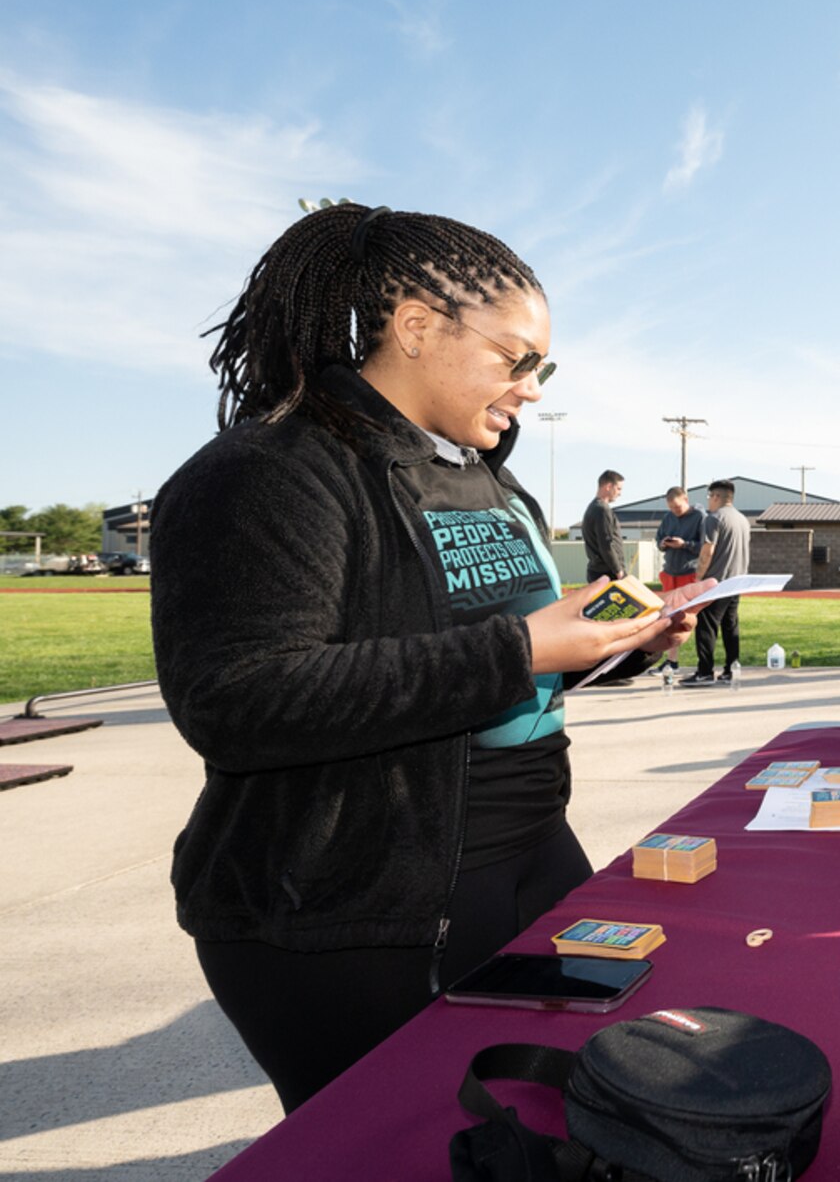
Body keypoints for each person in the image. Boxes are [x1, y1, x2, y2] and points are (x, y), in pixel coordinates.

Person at [149, 204, 705, 1112]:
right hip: (353, 913)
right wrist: (521, 646)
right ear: (414, 327)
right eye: (516, 358)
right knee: (396, 1144)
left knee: (556, 1125)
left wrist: (619, 646)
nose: (531, 386)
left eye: (542, 366)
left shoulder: (486, 472)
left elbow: (507, 657)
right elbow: (235, 698)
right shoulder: (267, 472)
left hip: (528, 854)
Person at [689, 479, 751, 685]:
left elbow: (708, 550)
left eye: (709, 497)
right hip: (737, 579)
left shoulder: (713, 518)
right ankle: (731, 668)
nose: (708, 501)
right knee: (730, 626)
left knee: (706, 626)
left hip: (717, 581)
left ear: (716, 496)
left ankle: (705, 671)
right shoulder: (742, 520)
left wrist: (698, 578)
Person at [649, 486, 705, 677]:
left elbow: (705, 547)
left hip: (688, 573)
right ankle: (668, 661)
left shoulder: (700, 517)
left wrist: (685, 544)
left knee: (684, 619)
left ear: (686, 500)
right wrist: (663, 543)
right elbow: (658, 540)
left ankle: (679, 662)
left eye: (678, 507)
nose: (675, 511)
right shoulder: (668, 518)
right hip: (670, 573)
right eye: (671, 508)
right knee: (665, 617)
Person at [582, 470, 626, 583]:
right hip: (607, 573)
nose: (620, 493)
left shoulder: (592, 508)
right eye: (619, 489)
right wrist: (618, 570)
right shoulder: (602, 510)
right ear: (608, 486)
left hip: (598, 571)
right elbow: (606, 544)